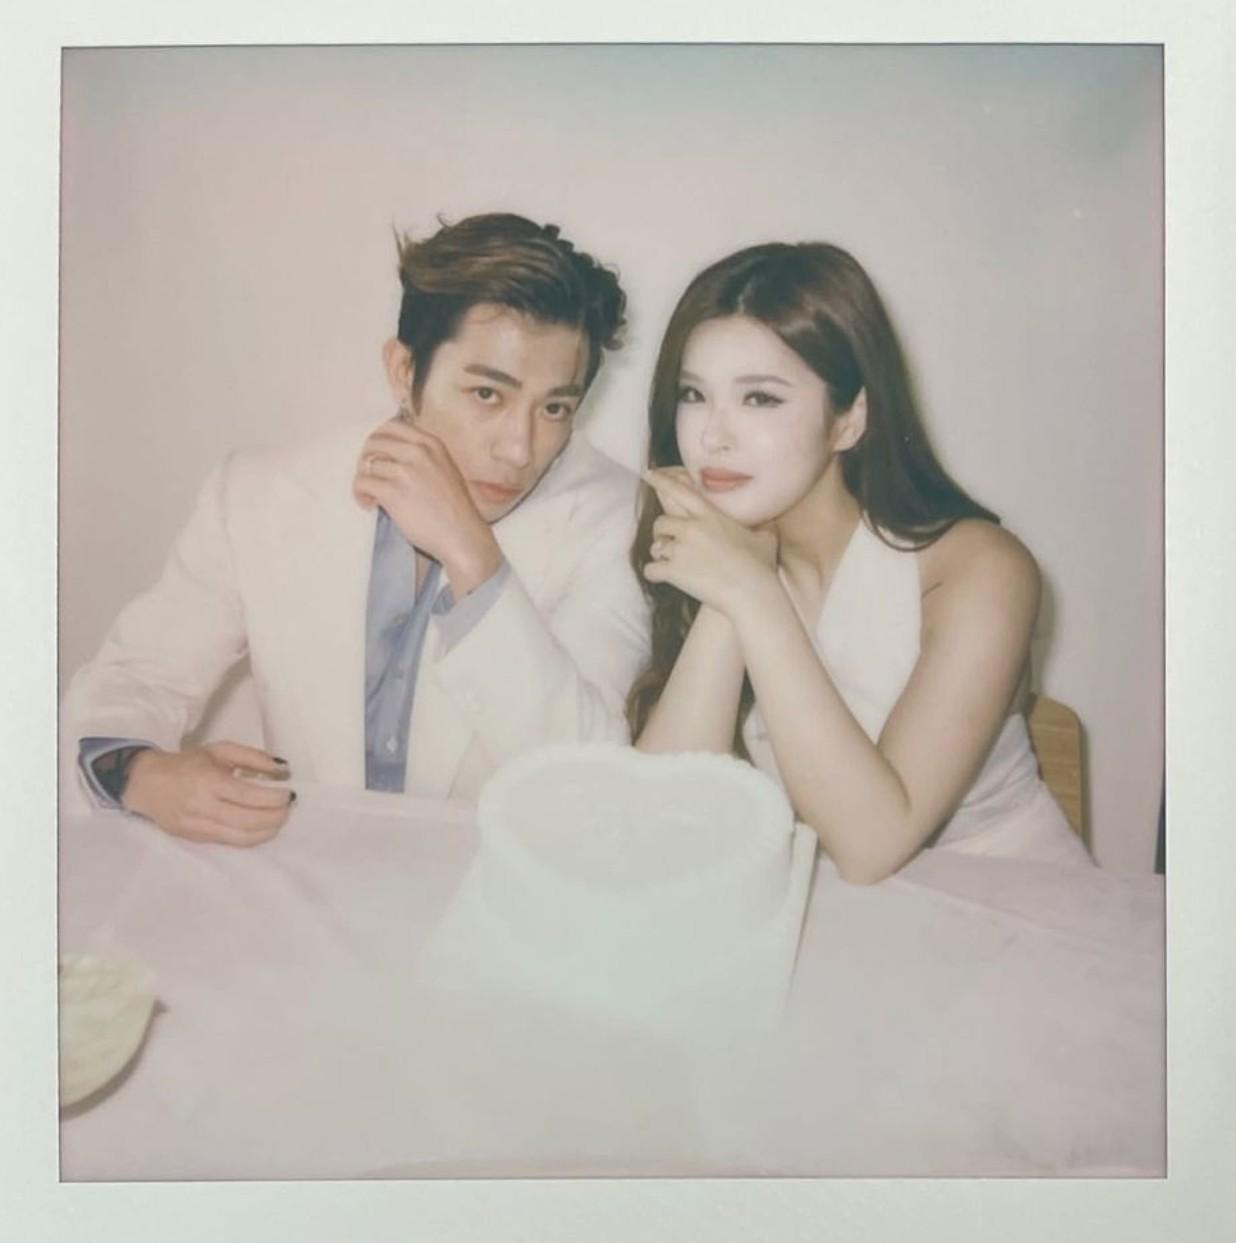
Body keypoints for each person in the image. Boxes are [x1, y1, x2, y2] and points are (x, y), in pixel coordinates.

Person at [63, 212, 649, 846]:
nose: (519, 448)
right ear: (404, 372)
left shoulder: (621, 520)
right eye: (487, 394)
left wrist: (472, 555)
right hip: (302, 877)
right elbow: (136, 677)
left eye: (555, 407)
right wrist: (140, 772)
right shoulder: (258, 496)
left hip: (498, 888)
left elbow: (589, 784)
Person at [627, 242, 1092, 883]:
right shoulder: (731, 559)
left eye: (759, 398)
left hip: (1016, 906)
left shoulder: (981, 567)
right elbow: (655, 827)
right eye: (693, 394)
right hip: (826, 914)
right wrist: (731, 594)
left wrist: (750, 594)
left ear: (850, 420)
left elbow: (873, 844)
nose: (712, 435)